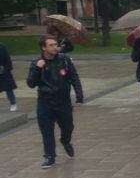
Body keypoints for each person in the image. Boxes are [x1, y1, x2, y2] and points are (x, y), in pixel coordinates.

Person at [27, 35, 83, 168]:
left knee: (68, 127)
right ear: (43, 47)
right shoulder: (36, 62)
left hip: (63, 101)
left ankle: (65, 141)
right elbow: (31, 83)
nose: (54, 47)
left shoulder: (64, 59)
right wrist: (37, 69)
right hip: (45, 102)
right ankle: (49, 156)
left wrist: (79, 95)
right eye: (51, 45)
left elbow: (74, 77)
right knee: (47, 130)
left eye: (55, 44)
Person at [0, 41, 17, 111]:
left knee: (9, 89)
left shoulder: (2, 47)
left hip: (4, 72)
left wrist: (4, 68)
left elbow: (8, 60)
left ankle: (13, 103)